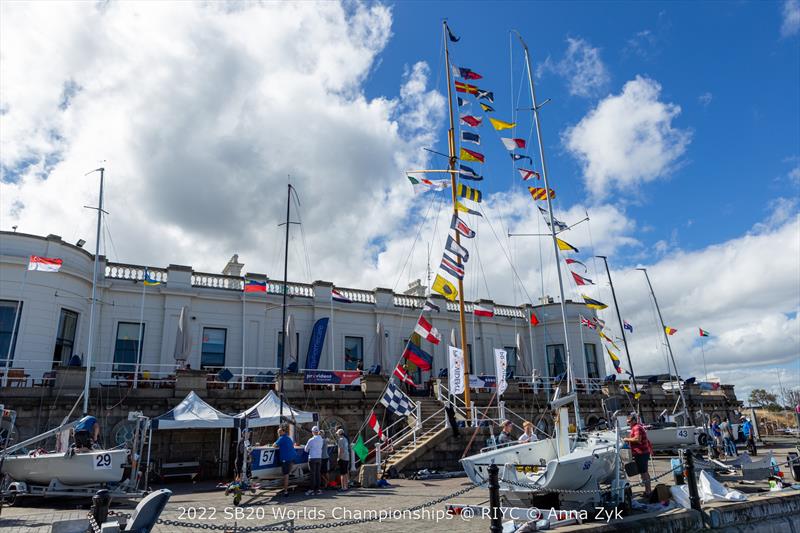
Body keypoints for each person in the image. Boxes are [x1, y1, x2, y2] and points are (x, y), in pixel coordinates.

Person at [623, 413, 653, 497]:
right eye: (627, 422)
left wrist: (626, 439)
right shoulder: (636, 427)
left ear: (634, 420)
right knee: (644, 472)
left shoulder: (637, 427)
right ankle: (648, 491)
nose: (628, 424)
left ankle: (648, 492)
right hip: (641, 453)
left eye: (629, 422)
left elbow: (637, 439)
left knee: (644, 473)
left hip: (641, 453)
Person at [274, 426, 296, 497]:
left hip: (285, 459)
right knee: (287, 474)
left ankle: (286, 491)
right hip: (292, 458)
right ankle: (287, 488)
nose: (278, 433)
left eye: (280, 432)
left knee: (286, 475)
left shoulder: (282, 438)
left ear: (283, 432)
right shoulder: (288, 438)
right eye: (278, 432)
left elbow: (274, 445)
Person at [304, 426, 324, 495]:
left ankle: (312, 489)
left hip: (312, 458)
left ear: (312, 432)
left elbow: (306, 449)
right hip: (319, 458)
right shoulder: (321, 439)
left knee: (312, 474)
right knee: (318, 474)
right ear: (318, 432)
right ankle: (318, 489)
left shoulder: (311, 440)